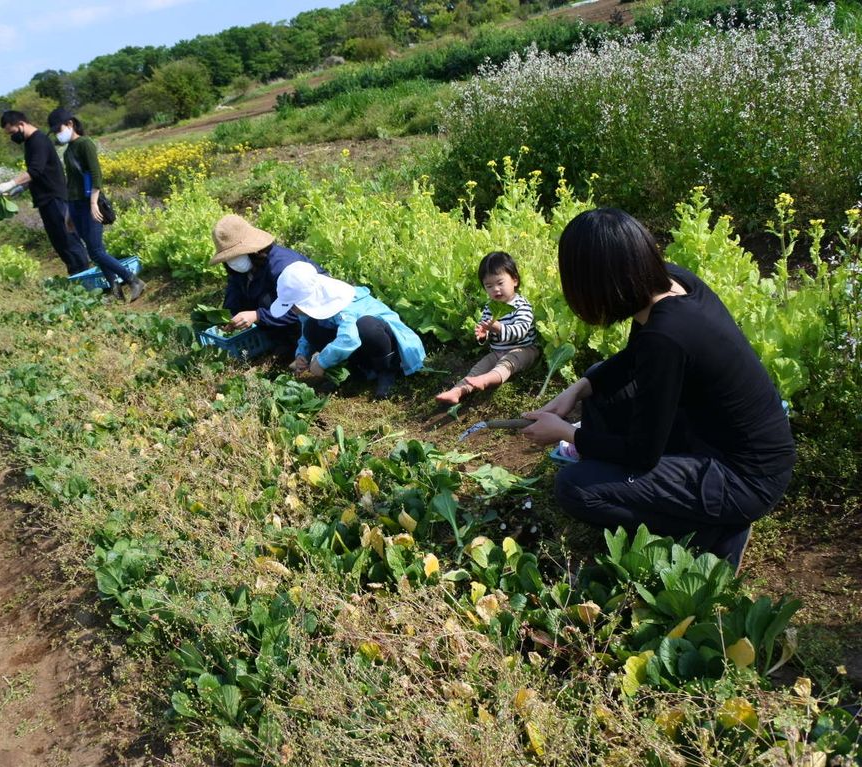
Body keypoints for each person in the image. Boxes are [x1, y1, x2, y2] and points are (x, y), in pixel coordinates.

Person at [520, 208, 795, 570]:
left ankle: (716, 534)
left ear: (596, 284)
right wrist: (578, 388)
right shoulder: (673, 283)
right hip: (730, 439)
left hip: (744, 478)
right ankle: (671, 498)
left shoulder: (666, 336)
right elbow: (636, 359)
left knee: (575, 488)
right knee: (599, 380)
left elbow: (641, 454)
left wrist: (569, 433)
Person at [270, 262, 425, 399]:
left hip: (385, 343)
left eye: (293, 305)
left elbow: (349, 339)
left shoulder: (343, 303)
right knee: (312, 328)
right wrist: (302, 354)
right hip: (360, 348)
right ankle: (358, 371)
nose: (292, 310)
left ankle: (387, 371)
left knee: (366, 326)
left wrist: (322, 362)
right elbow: (306, 332)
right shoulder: (310, 308)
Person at [47, 108, 146, 302]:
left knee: (97, 251)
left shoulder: (85, 144)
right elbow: (71, 183)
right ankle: (115, 290)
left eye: (59, 129)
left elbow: (96, 175)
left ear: (70, 124)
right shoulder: (68, 152)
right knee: (94, 252)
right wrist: (68, 214)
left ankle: (133, 280)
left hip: (89, 203)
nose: (59, 134)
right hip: (75, 206)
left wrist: (93, 203)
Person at [208, 214, 328, 354]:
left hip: (314, 320)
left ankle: (297, 346)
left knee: (266, 300)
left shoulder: (282, 266)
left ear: (253, 249)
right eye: (228, 258)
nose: (232, 262)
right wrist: (228, 318)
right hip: (276, 318)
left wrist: (258, 315)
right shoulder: (241, 270)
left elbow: (304, 308)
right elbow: (234, 294)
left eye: (236, 256)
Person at [436, 251, 539, 404]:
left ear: (515, 280)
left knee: (508, 363)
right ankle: (456, 391)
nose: (495, 289)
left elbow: (521, 330)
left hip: (524, 350)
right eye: (489, 286)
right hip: (497, 351)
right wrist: (483, 335)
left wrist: (499, 328)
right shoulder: (489, 308)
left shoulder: (521, 305)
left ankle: (486, 380)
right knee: (478, 368)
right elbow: (486, 331)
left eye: (500, 283)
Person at [0, 110, 89, 276]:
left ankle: (86, 275)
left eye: (12, 132)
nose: (12, 137)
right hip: (46, 200)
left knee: (68, 240)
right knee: (59, 242)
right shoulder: (30, 143)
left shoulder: (38, 140)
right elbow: (40, 172)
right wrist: (22, 188)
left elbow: (35, 170)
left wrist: (11, 183)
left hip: (55, 197)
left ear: (21, 124)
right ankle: (76, 276)